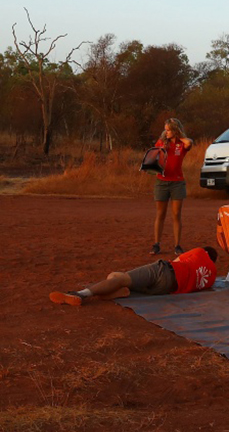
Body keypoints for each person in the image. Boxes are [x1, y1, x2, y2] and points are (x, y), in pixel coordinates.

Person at [49, 247, 219, 306]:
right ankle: (117, 292)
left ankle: (80, 294)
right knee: (118, 280)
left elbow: (176, 260)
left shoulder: (199, 253)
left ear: (205, 252)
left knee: (117, 276)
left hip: (165, 271)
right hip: (166, 289)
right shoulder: (211, 277)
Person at [152, 118, 193, 256]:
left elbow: (189, 143)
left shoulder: (182, 144)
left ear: (175, 130)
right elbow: (153, 157)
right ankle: (156, 244)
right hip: (161, 182)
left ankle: (177, 245)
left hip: (177, 182)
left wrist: (179, 135)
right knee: (160, 214)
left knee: (176, 214)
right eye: (165, 129)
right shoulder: (162, 142)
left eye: (169, 130)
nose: (166, 132)